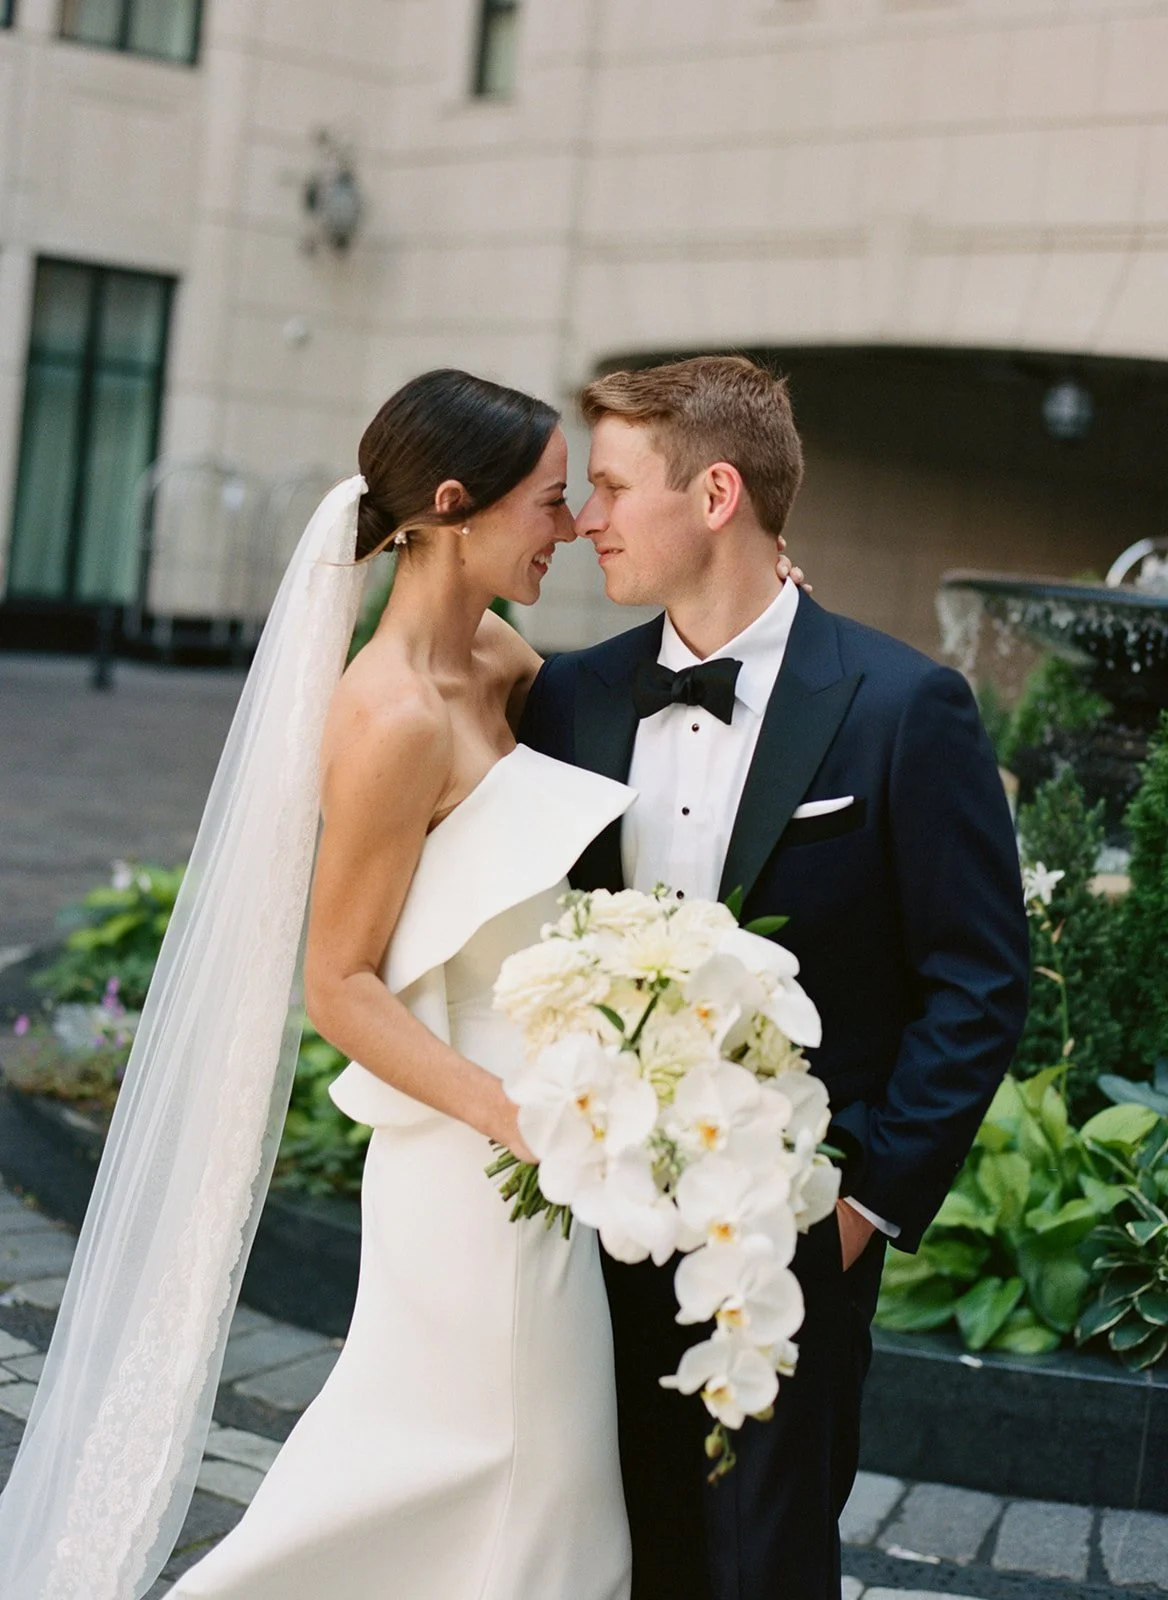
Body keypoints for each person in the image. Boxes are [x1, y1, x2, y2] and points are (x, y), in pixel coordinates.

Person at [0, 366, 809, 1600]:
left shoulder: (494, 655)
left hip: (537, 1145)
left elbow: (625, 701)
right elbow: (340, 983)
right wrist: (518, 1119)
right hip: (468, 1157)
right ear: (451, 503)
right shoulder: (387, 719)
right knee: (508, 1486)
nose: (574, 528)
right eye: (550, 500)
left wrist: (768, 612)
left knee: (516, 1495)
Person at [519, 354, 1031, 1600]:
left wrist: (860, 1208)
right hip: (589, 1236)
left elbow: (977, 977)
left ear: (713, 496)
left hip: (791, 1240)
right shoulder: (570, 699)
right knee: (604, 1555)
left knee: (761, 1569)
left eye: (611, 488)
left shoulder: (905, 707)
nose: (586, 519)